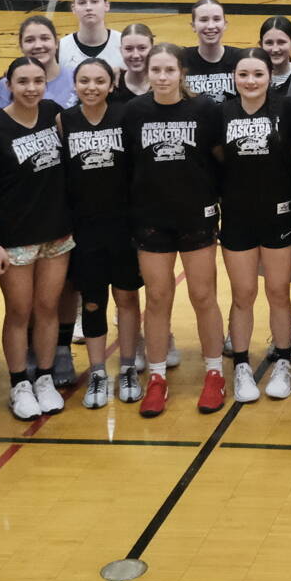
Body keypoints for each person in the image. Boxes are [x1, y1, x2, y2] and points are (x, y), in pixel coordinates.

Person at [123, 45, 225, 417]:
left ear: (181, 72)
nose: (162, 77)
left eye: (169, 70)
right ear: (147, 73)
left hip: (196, 216)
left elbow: (218, 160)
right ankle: (156, 377)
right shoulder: (134, 112)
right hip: (151, 217)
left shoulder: (205, 111)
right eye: (156, 70)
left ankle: (214, 372)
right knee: (158, 297)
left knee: (203, 296)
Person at [0, 57, 73, 422]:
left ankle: (45, 377)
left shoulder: (53, 112)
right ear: (10, 85)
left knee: (48, 308)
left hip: (56, 232)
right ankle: (19, 383)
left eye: (37, 80)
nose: (32, 88)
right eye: (23, 82)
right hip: (15, 237)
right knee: (19, 312)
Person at [60, 58, 141, 408]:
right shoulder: (65, 121)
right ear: (74, 85)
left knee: (126, 299)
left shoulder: (125, 116)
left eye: (99, 81)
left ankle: (127, 367)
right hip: (85, 229)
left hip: (123, 226)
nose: (91, 87)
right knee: (92, 301)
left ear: (111, 84)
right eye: (84, 80)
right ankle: (96, 371)